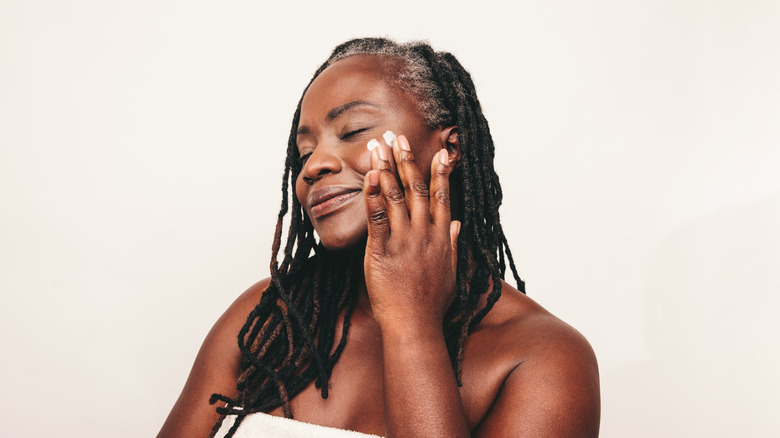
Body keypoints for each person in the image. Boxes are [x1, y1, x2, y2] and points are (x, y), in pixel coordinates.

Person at [158, 38, 600, 438]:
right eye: (304, 152)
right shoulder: (270, 317)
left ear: (450, 149)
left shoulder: (543, 359)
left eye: (352, 131)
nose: (312, 167)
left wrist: (412, 323)